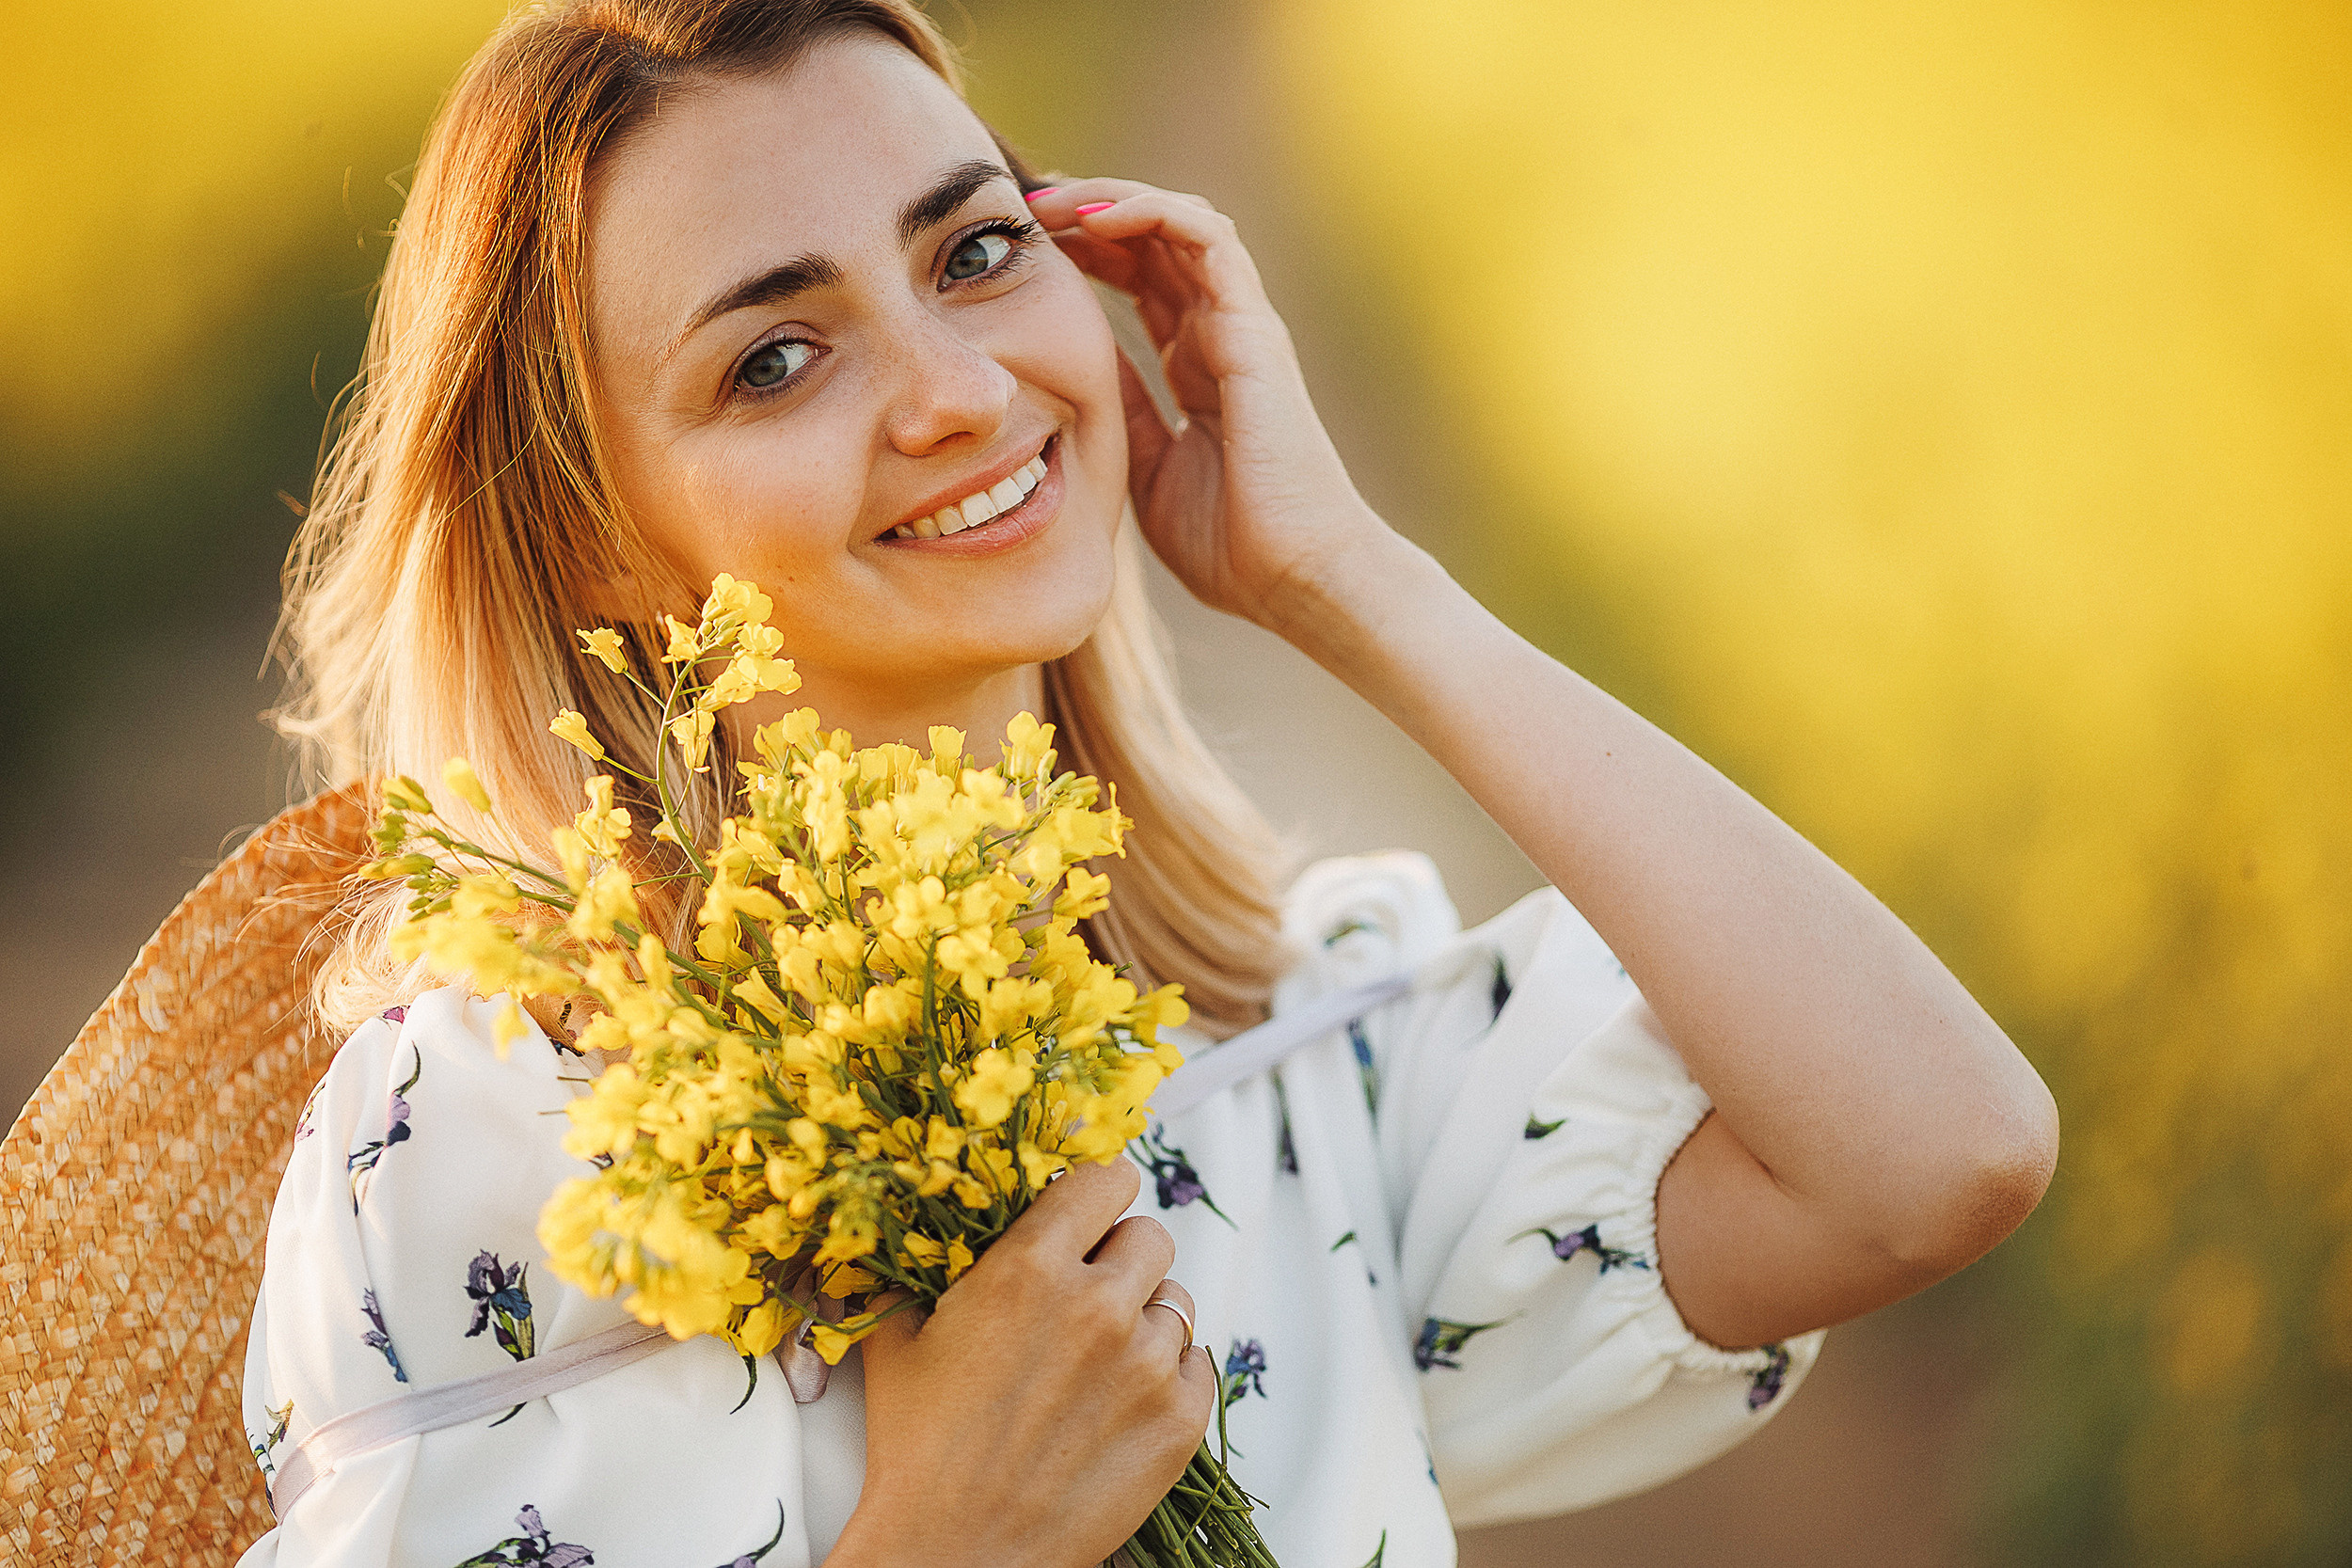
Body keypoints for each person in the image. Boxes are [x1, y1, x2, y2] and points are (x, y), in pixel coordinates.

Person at [239, 2, 2059, 1563]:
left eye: (973, 252)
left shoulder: (1280, 1038)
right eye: (776, 356)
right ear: (588, 546)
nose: (956, 387)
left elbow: (1939, 1159)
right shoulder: (489, 1137)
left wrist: (1349, 582)